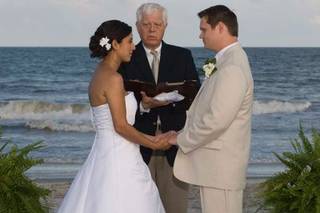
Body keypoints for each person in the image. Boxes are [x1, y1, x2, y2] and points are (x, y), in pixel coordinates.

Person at [58, 20, 169, 213]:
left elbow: (112, 124)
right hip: (119, 158)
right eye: (129, 41)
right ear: (115, 44)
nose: (134, 47)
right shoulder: (113, 79)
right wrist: (154, 144)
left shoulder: (100, 73)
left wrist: (152, 137)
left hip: (105, 153)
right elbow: (120, 126)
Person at [166, 5, 254, 213]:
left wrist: (179, 139)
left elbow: (216, 121)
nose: (200, 35)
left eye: (204, 29)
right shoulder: (223, 61)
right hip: (216, 168)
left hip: (221, 170)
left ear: (221, 27)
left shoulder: (232, 67)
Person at [119, 3, 200, 213]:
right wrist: (144, 107)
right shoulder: (125, 59)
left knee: (175, 206)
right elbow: (117, 103)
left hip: (174, 143)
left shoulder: (182, 56)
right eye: (146, 24)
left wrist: (172, 99)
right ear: (137, 27)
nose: (152, 29)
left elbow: (196, 95)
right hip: (138, 145)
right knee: (140, 206)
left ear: (165, 26)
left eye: (157, 24)